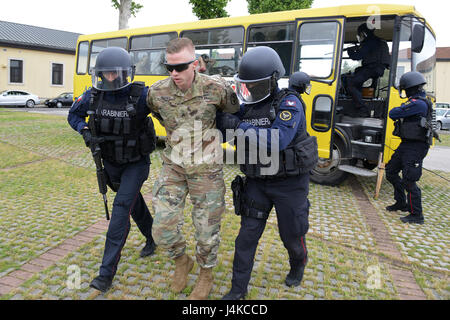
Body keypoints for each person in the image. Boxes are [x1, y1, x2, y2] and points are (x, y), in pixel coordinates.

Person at [216, 46, 318, 300]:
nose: (252, 90)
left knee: (292, 235)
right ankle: (238, 290)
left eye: (258, 84)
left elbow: (277, 141)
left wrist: (238, 126)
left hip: (289, 183)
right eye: (247, 85)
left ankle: (298, 262)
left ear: (273, 80)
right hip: (257, 181)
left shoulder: (289, 103)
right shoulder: (247, 106)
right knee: (246, 238)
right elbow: (225, 124)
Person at [146, 37, 240, 300]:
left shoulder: (216, 89)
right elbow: (157, 114)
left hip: (206, 170)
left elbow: (233, 112)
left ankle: (206, 274)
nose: (174, 73)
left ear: (196, 64)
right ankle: (181, 261)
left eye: (181, 67)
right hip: (174, 166)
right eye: (169, 68)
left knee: (207, 230)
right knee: (162, 227)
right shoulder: (157, 92)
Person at [67, 47, 157, 292]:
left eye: (115, 72)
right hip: (111, 164)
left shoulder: (141, 95)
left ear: (125, 73)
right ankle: (152, 237)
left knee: (120, 209)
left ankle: (105, 275)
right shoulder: (92, 96)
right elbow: (73, 115)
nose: (110, 77)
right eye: (105, 73)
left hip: (136, 163)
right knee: (132, 202)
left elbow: (167, 115)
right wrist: (84, 132)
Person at [385, 71, 432, 224]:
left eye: (405, 89)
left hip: (416, 146)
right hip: (406, 144)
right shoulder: (415, 101)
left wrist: (401, 110)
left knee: (409, 180)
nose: (404, 92)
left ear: (411, 88)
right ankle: (401, 202)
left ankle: (417, 215)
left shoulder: (419, 104)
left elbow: (393, 113)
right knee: (391, 171)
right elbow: (396, 113)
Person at [345, 23, 390, 117]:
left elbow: (357, 56)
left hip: (372, 68)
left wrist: (350, 51)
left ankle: (362, 109)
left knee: (350, 84)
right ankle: (357, 104)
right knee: (357, 73)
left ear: (364, 33)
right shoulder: (378, 41)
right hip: (378, 69)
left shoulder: (370, 42)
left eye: (361, 34)